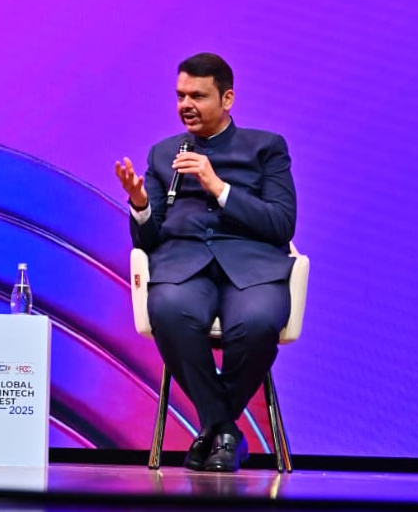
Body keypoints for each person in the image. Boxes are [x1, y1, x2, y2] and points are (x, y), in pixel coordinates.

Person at [114, 53, 296, 472]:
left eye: (197, 96)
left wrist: (219, 187)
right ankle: (225, 431)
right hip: (184, 266)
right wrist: (140, 204)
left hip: (252, 269)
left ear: (227, 98)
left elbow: (282, 223)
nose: (186, 104)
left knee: (257, 324)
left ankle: (212, 431)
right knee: (168, 311)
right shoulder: (163, 153)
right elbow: (148, 238)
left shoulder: (267, 148)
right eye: (180, 95)